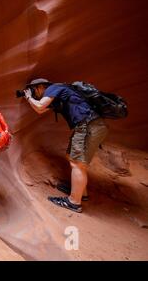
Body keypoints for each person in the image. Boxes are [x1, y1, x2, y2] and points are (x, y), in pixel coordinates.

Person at [23, 78, 109, 213]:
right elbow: (40, 110)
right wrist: (30, 98)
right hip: (88, 126)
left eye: (33, 90)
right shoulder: (60, 93)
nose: (34, 93)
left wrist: (28, 98)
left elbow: (39, 106)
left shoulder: (53, 88)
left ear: (40, 87)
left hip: (88, 126)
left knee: (77, 164)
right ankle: (80, 192)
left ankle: (74, 202)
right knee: (72, 157)